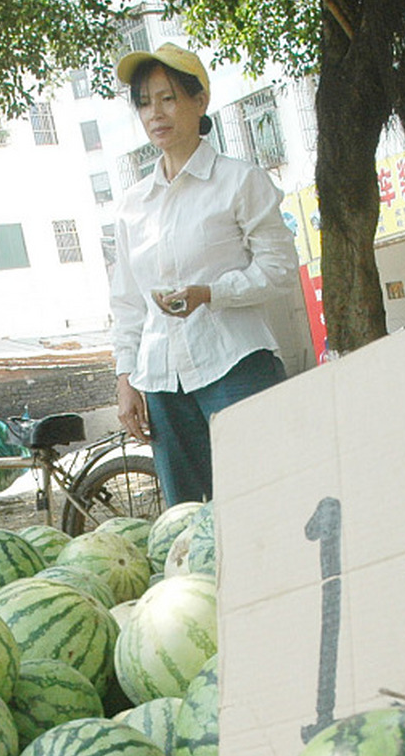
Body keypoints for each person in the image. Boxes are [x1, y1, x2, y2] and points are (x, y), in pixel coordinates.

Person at [109, 43, 296, 505]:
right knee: (188, 516)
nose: (157, 113)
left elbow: (280, 269)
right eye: (145, 102)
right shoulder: (133, 205)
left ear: (200, 101)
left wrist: (210, 293)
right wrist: (125, 377)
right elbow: (128, 302)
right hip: (161, 379)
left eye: (169, 97)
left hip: (235, 364)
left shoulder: (239, 181)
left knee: (267, 496)